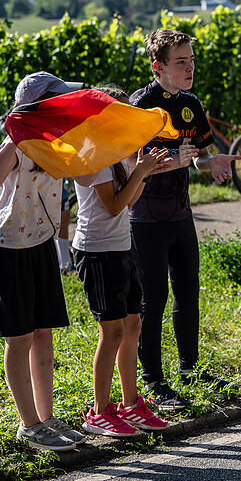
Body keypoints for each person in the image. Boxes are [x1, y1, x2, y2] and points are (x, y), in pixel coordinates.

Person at [130, 29, 241, 411]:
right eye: (181, 61)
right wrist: (174, 159)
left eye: (191, 60)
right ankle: (153, 380)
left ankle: (190, 369)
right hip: (145, 218)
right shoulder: (141, 105)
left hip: (181, 214)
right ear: (158, 66)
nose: (190, 67)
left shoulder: (191, 102)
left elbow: (197, 156)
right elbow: (134, 166)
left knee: (188, 293)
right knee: (154, 300)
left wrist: (213, 164)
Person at [0, 73, 85, 451]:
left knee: (44, 332)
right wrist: (13, 140)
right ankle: (28, 424)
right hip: (10, 246)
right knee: (20, 337)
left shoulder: (57, 141)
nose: (63, 106)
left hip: (43, 242)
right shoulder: (16, 142)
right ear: (35, 107)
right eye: (55, 101)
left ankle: (47, 419)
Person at [73, 86, 171, 437]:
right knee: (111, 331)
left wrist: (141, 167)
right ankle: (99, 412)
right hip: (97, 251)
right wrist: (141, 171)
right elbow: (114, 205)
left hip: (120, 245)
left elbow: (128, 199)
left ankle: (131, 404)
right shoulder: (93, 155)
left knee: (133, 326)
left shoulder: (115, 152)